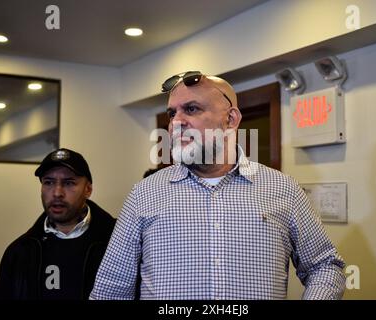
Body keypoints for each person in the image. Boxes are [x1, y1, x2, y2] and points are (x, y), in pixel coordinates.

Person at [90, 71, 346, 300]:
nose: (176, 123)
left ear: (231, 119)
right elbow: (112, 287)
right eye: (172, 113)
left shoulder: (283, 189)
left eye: (191, 109)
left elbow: (324, 266)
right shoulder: (144, 194)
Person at [0, 148, 116, 300]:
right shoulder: (20, 252)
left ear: (88, 189)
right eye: (49, 182)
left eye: (69, 183)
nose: (57, 193)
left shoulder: (118, 243)